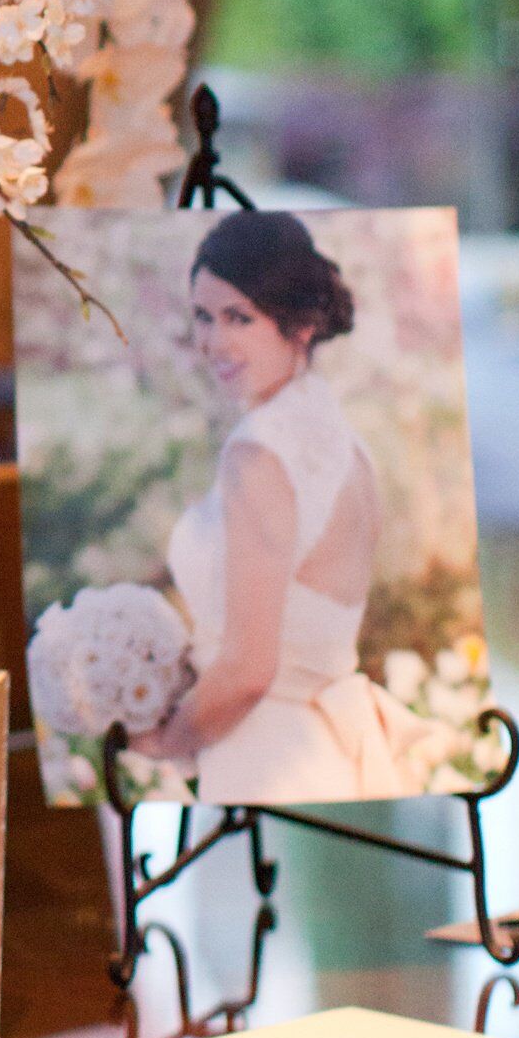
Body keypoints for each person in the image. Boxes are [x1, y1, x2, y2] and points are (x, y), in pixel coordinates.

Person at [153, 211, 440, 803]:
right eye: (204, 317)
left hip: (265, 757)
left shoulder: (259, 455)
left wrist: (162, 743)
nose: (214, 343)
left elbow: (249, 670)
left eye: (240, 318)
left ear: (301, 326)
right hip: (327, 747)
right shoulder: (345, 445)